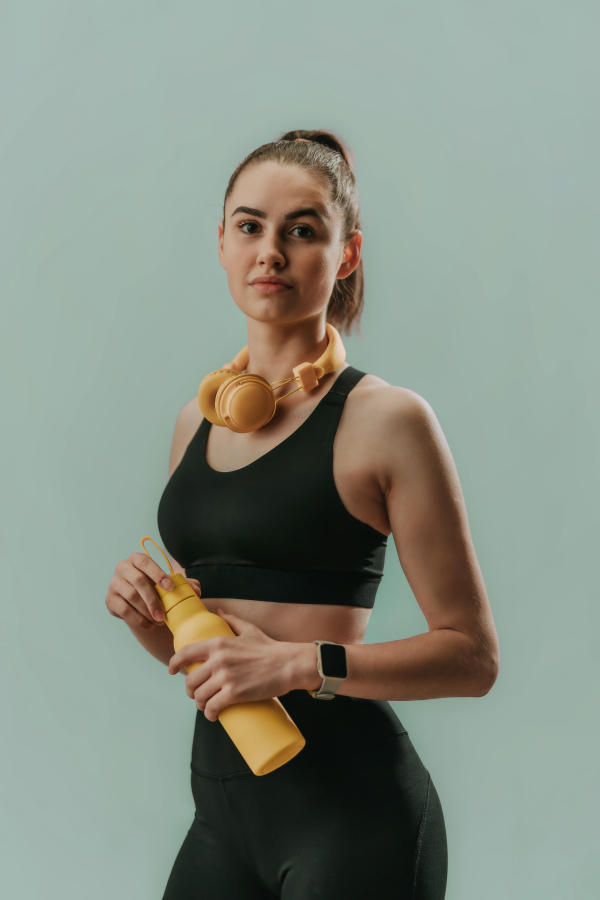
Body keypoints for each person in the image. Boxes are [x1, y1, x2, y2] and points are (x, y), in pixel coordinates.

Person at [105, 129, 500, 899]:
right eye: (250, 226)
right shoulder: (198, 420)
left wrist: (298, 663)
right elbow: (219, 669)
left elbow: (473, 658)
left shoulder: (387, 420)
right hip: (223, 816)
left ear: (346, 254)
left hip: (353, 821)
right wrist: (150, 618)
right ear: (220, 243)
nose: (270, 253)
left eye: (303, 230)